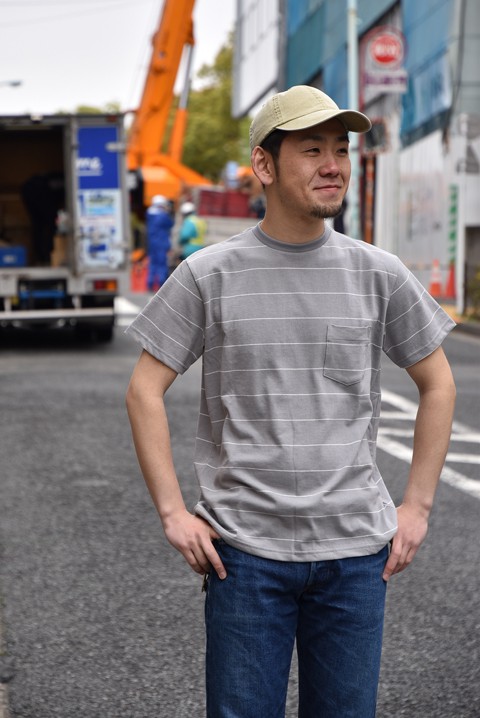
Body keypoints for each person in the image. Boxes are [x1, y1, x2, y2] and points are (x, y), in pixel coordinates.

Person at [125, 85, 456, 717]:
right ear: (264, 164)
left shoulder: (379, 273)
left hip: (355, 557)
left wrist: (416, 506)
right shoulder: (209, 274)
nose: (333, 165)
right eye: (312, 150)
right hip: (244, 555)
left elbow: (438, 383)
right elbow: (144, 389)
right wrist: (172, 513)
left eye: (341, 149)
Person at [145, 194, 174, 291]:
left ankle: (150, 284)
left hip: (152, 243)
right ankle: (162, 285)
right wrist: (168, 211)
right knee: (162, 265)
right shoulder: (163, 216)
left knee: (152, 264)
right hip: (161, 243)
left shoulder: (149, 214)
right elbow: (170, 224)